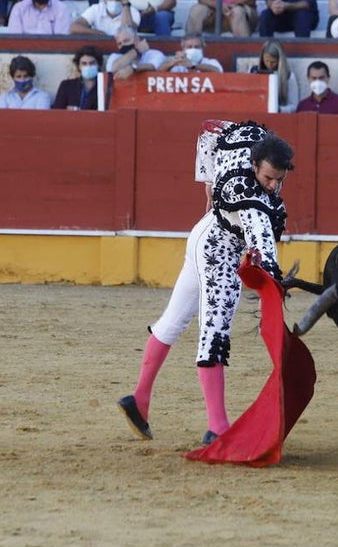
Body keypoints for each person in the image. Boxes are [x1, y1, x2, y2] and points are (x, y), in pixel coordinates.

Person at [118, 120, 294, 444]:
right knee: (214, 331)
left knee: (173, 320)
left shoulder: (252, 139)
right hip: (217, 251)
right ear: (254, 164)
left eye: (278, 180)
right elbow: (260, 237)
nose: (271, 186)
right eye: (267, 177)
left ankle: (138, 400)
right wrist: (271, 272)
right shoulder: (249, 199)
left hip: (204, 233)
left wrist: (208, 183)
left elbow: (210, 129)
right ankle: (218, 427)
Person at [71, 0, 140, 35]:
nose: (114, 1)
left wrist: (125, 3)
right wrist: (97, 33)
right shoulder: (96, 9)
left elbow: (128, 32)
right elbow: (73, 27)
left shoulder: (133, 12)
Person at [250, 40, 299, 112]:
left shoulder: (289, 76)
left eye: (273, 62)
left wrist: (279, 109)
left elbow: (294, 105)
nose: (269, 65)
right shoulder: (253, 71)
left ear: (279, 60)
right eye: (266, 60)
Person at [158, 33, 225, 72]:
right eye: (189, 47)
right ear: (183, 48)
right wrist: (173, 62)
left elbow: (217, 71)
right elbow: (158, 72)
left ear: (202, 47)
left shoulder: (211, 62)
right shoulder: (177, 63)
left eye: (197, 47)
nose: (193, 49)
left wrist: (192, 66)